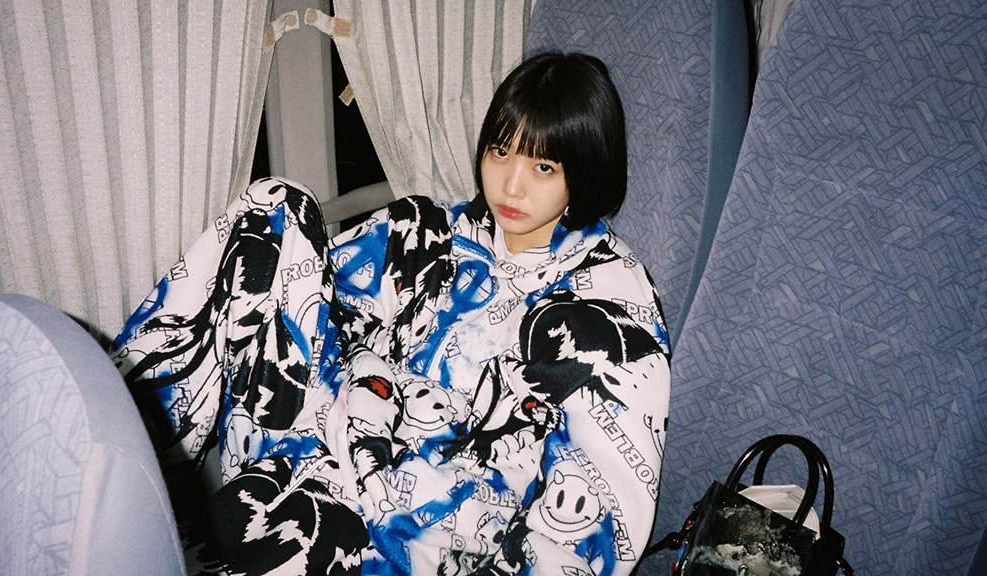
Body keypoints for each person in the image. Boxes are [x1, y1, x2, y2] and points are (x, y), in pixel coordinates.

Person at [112, 51, 670, 576]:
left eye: (543, 166)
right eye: (501, 152)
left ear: (584, 172)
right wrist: (357, 378)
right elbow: (316, 298)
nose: (511, 184)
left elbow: (603, 491)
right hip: (335, 427)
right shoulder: (430, 232)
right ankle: (124, 446)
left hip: (436, 504)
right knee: (276, 204)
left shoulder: (605, 301)